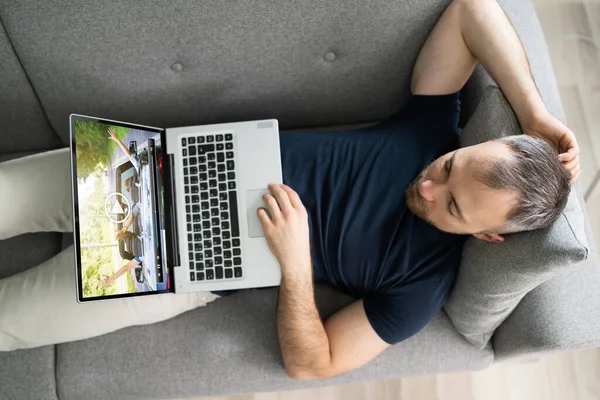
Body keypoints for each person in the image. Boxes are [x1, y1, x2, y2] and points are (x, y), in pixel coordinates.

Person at [0, 0, 579, 370]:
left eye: (452, 206)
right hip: (157, 169)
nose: (427, 187)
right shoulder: (428, 128)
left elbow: (314, 363)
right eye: (449, 166)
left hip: (182, 270)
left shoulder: (421, 286)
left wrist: (295, 265)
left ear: (488, 239)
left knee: (8, 324)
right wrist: (532, 113)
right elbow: (471, 9)